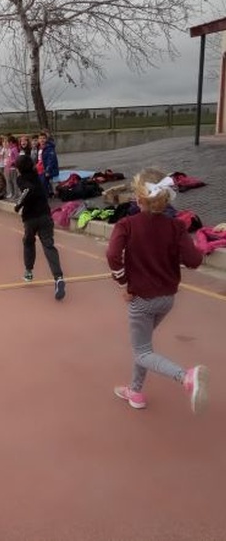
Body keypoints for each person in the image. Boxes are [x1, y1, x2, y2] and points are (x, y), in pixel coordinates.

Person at [106, 168, 208, 414]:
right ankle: (135, 390)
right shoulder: (175, 227)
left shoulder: (127, 224)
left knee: (142, 351)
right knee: (144, 347)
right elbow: (194, 260)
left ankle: (185, 377)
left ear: (139, 199)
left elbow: (112, 255)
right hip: (167, 299)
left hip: (141, 297)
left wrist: (124, 285)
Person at [14, 155, 66, 300]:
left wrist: (18, 205)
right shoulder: (36, 175)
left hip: (31, 218)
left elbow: (27, 190)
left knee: (29, 242)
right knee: (49, 245)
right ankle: (58, 278)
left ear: (19, 168)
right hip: (45, 215)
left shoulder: (21, 179)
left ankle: (29, 271)